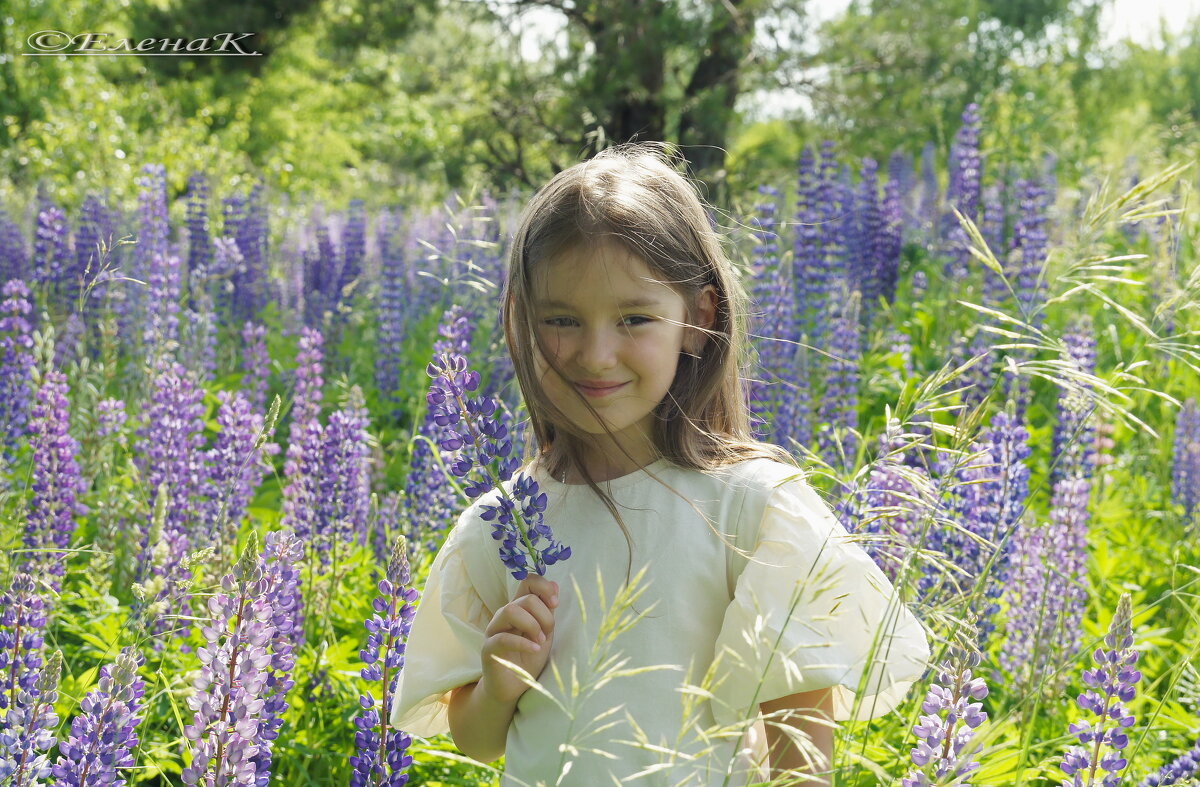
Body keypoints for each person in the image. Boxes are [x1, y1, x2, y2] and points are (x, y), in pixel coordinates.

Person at [389, 142, 930, 786]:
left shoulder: (752, 508)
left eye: (634, 318)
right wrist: (500, 684)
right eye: (562, 319)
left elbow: (800, 746)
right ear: (524, 322)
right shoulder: (501, 526)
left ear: (697, 320)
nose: (596, 354)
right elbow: (475, 741)